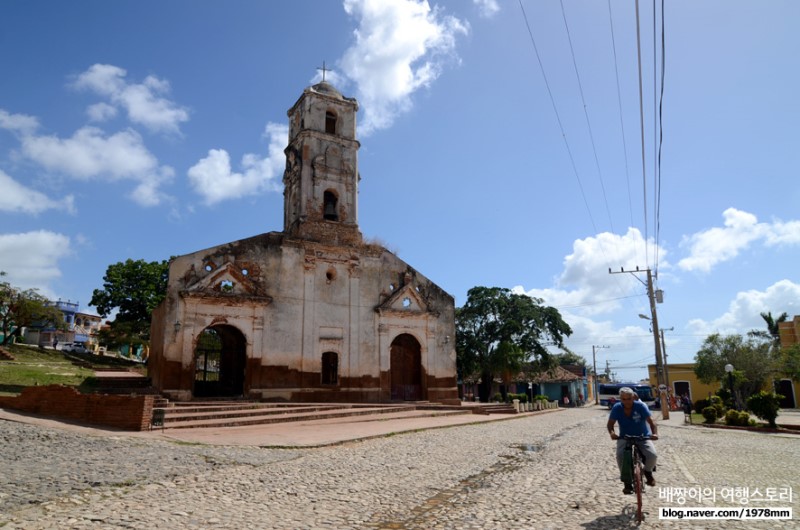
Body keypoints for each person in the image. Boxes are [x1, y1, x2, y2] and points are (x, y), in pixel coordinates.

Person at [607, 387, 659, 494]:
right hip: (624, 437)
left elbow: (651, 422)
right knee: (620, 456)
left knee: (652, 455)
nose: (627, 401)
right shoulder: (617, 408)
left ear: (633, 397)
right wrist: (612, 433)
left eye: (629, 398)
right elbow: (610, 424)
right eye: (624, 399)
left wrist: (654, 433)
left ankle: (648, 472)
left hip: (642, 436)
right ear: (620, 399)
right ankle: (627, 483)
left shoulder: (641, 406)